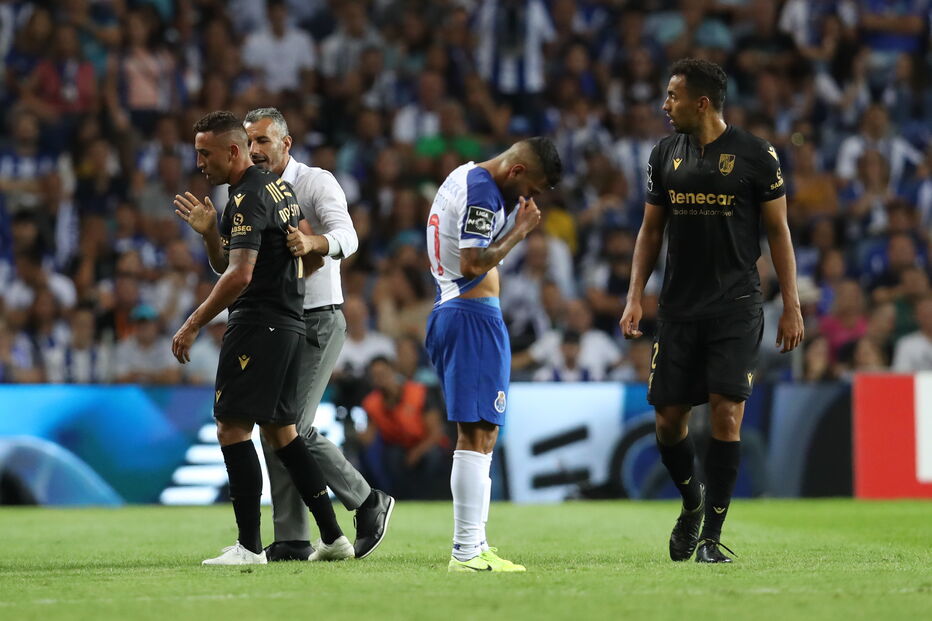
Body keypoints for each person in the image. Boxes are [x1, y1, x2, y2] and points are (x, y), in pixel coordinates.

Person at [619, 59, 804, 564]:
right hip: (679, 308)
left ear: (700, 102)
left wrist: (791, 304)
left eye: (672, 96)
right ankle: (692, 502)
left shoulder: (756, 155)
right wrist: (636, 294)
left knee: (727, 413)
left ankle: (711, 538)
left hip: (736, 306)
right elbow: (650, 231)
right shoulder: (664, 155)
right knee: (668, 421)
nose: (664, 105)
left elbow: (779, 233)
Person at [170, 110, 353, 565]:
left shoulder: (249, 195)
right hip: (289, 320)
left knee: (232, 425)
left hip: (260, 322)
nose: (199, 162)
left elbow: (240, 274)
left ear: (232, 151)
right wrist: (212, 233)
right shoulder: (275, 189)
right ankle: (332, 537)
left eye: (205, 153)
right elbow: (230, 261)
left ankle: (249, 547)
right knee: (282, 431)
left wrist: (193, 322)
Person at [241, 106, 394, 561]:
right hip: (276, 321)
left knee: (298, 428)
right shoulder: (251, 191)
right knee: (275, 425)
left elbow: (349, 236)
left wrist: (313, 243)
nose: (255, 150)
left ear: (286, 144)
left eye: (263, 141)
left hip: (318, 317)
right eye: (249, 142)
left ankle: (368, 501)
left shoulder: (316, 182)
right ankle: (291, 536)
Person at [424, 136, 562, 572]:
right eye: (534, 189)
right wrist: (519, 232)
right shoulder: (483, 189)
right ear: (517, 171)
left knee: (484, 434)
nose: (531, 199)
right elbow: (471, 262)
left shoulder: (462, 176)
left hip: (458, 311)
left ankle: (476, 544)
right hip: (470, 316)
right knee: (476, 435)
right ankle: (465, 550)